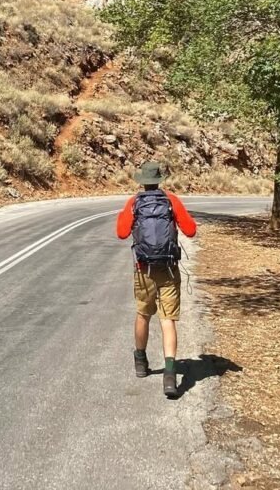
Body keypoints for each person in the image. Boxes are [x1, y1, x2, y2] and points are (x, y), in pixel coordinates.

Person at [115, 161, 197, 398]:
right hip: (169, 269)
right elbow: (191, 230)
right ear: (160, 179)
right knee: (167, 319)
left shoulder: (134, 202)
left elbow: (121, 233)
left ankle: (141, 362)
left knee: (143, 314)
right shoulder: (171, 200)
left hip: (144, 269)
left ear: (141, 181)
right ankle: (170, 376)